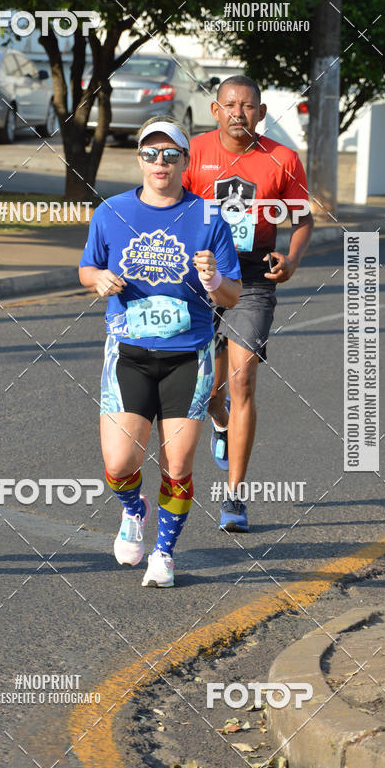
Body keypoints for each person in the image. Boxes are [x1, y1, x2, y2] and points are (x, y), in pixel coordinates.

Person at [79, 116, 242, 587]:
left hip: (188, 356)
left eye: (170, 154)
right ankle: (134, 509)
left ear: (185, 162)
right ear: (139, 160)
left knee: (178, 464)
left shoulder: (208, 216)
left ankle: (164, 553)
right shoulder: (111, 211)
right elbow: (87, 268)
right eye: (151, 153)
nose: (160, 162)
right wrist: (98, 280)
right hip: (129, 352)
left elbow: (232, 295)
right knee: (118, 465)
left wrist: (213, 279)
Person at [183, 76, 314, 532]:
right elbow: (169, 206)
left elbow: (302, 219)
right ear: (215, 110)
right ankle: (219, 422)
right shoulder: (193, 153)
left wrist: (292, 259)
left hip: (253, 277)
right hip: (200, 276)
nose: (238, 112)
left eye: (248, 105)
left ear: (261, 112)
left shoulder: (283, 159)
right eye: (230, 104)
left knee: (242, 381)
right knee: (206, 391)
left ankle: (235, 496)